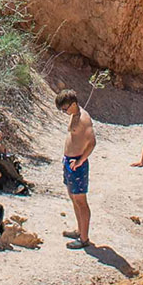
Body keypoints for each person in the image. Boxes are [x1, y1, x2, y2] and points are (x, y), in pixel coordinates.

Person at [56, 89, 95, 249]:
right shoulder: (74, 115)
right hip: (69, 161)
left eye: (65, 109)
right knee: (73, 197)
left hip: (77, 164)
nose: (64, 112)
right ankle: (80, 230)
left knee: (81, 201)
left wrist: (80, 161)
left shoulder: (84, 120)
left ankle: (84, 238)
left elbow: (92, 143)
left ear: (74, 104)